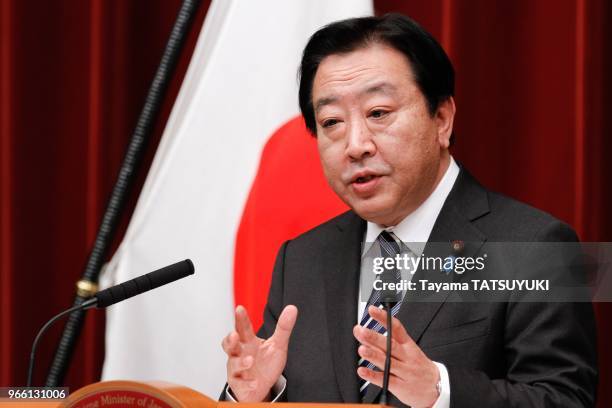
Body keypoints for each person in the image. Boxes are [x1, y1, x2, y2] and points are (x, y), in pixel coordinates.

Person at [220, 14, 597, 407]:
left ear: (441, 119)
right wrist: (251, 397)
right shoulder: (300, 259)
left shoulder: (537, 246)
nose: (356, 145)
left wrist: (440, 389)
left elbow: (566, 399)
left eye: (378, 113)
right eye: (331, 121)